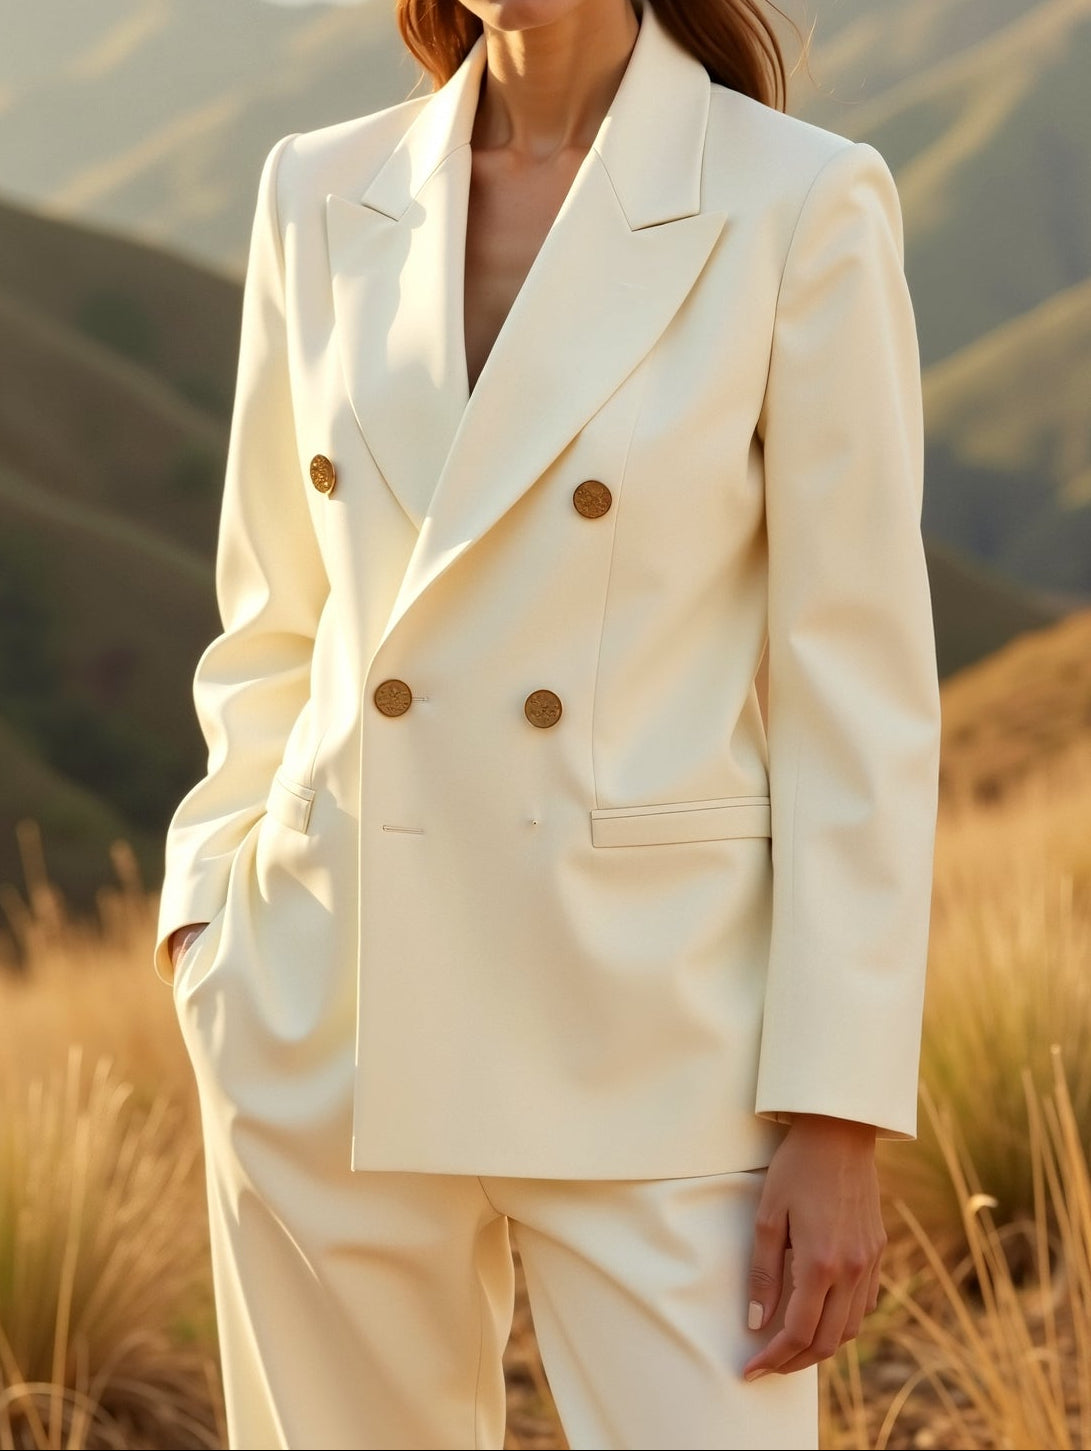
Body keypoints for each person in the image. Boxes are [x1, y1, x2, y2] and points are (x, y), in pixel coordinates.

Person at [157, 2, 941, 1448]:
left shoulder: (796, 198)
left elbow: (858, 689)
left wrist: (837, 1119)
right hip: (326, 1006)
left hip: (656, 1036)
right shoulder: (316, 189)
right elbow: (272, 616)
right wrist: (211, 916)